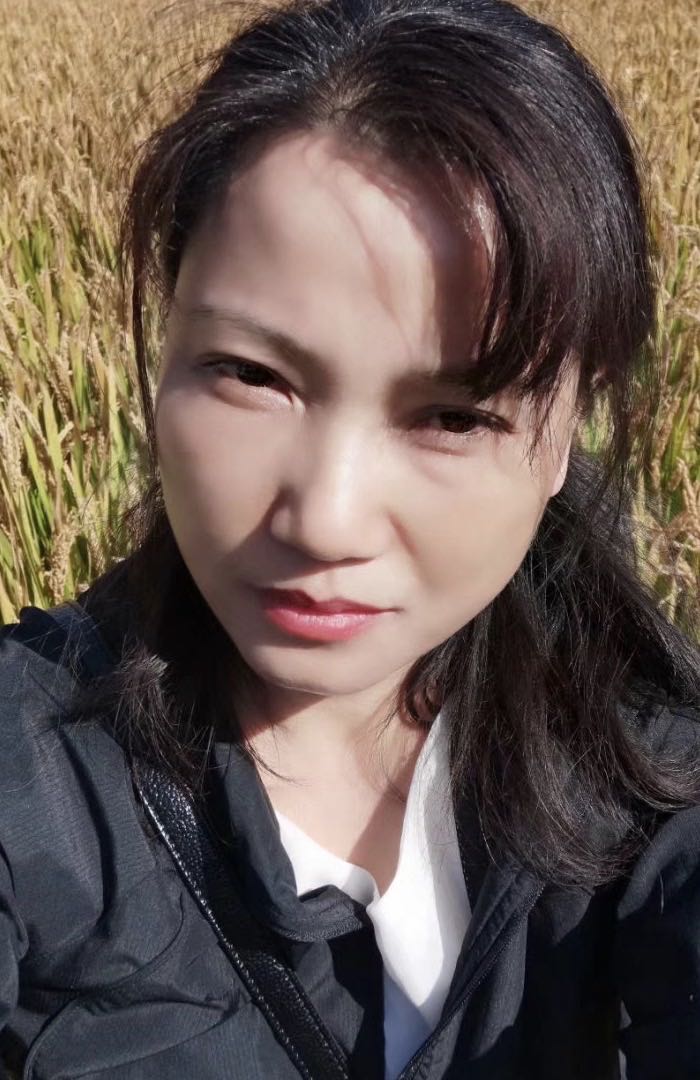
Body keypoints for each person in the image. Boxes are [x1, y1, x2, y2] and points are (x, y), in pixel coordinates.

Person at [1, 0, 699, 1076]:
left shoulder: (651, 764)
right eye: (251, 375)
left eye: (454, 417)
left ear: (568, 433)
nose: (325, 519)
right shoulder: (31, 770)